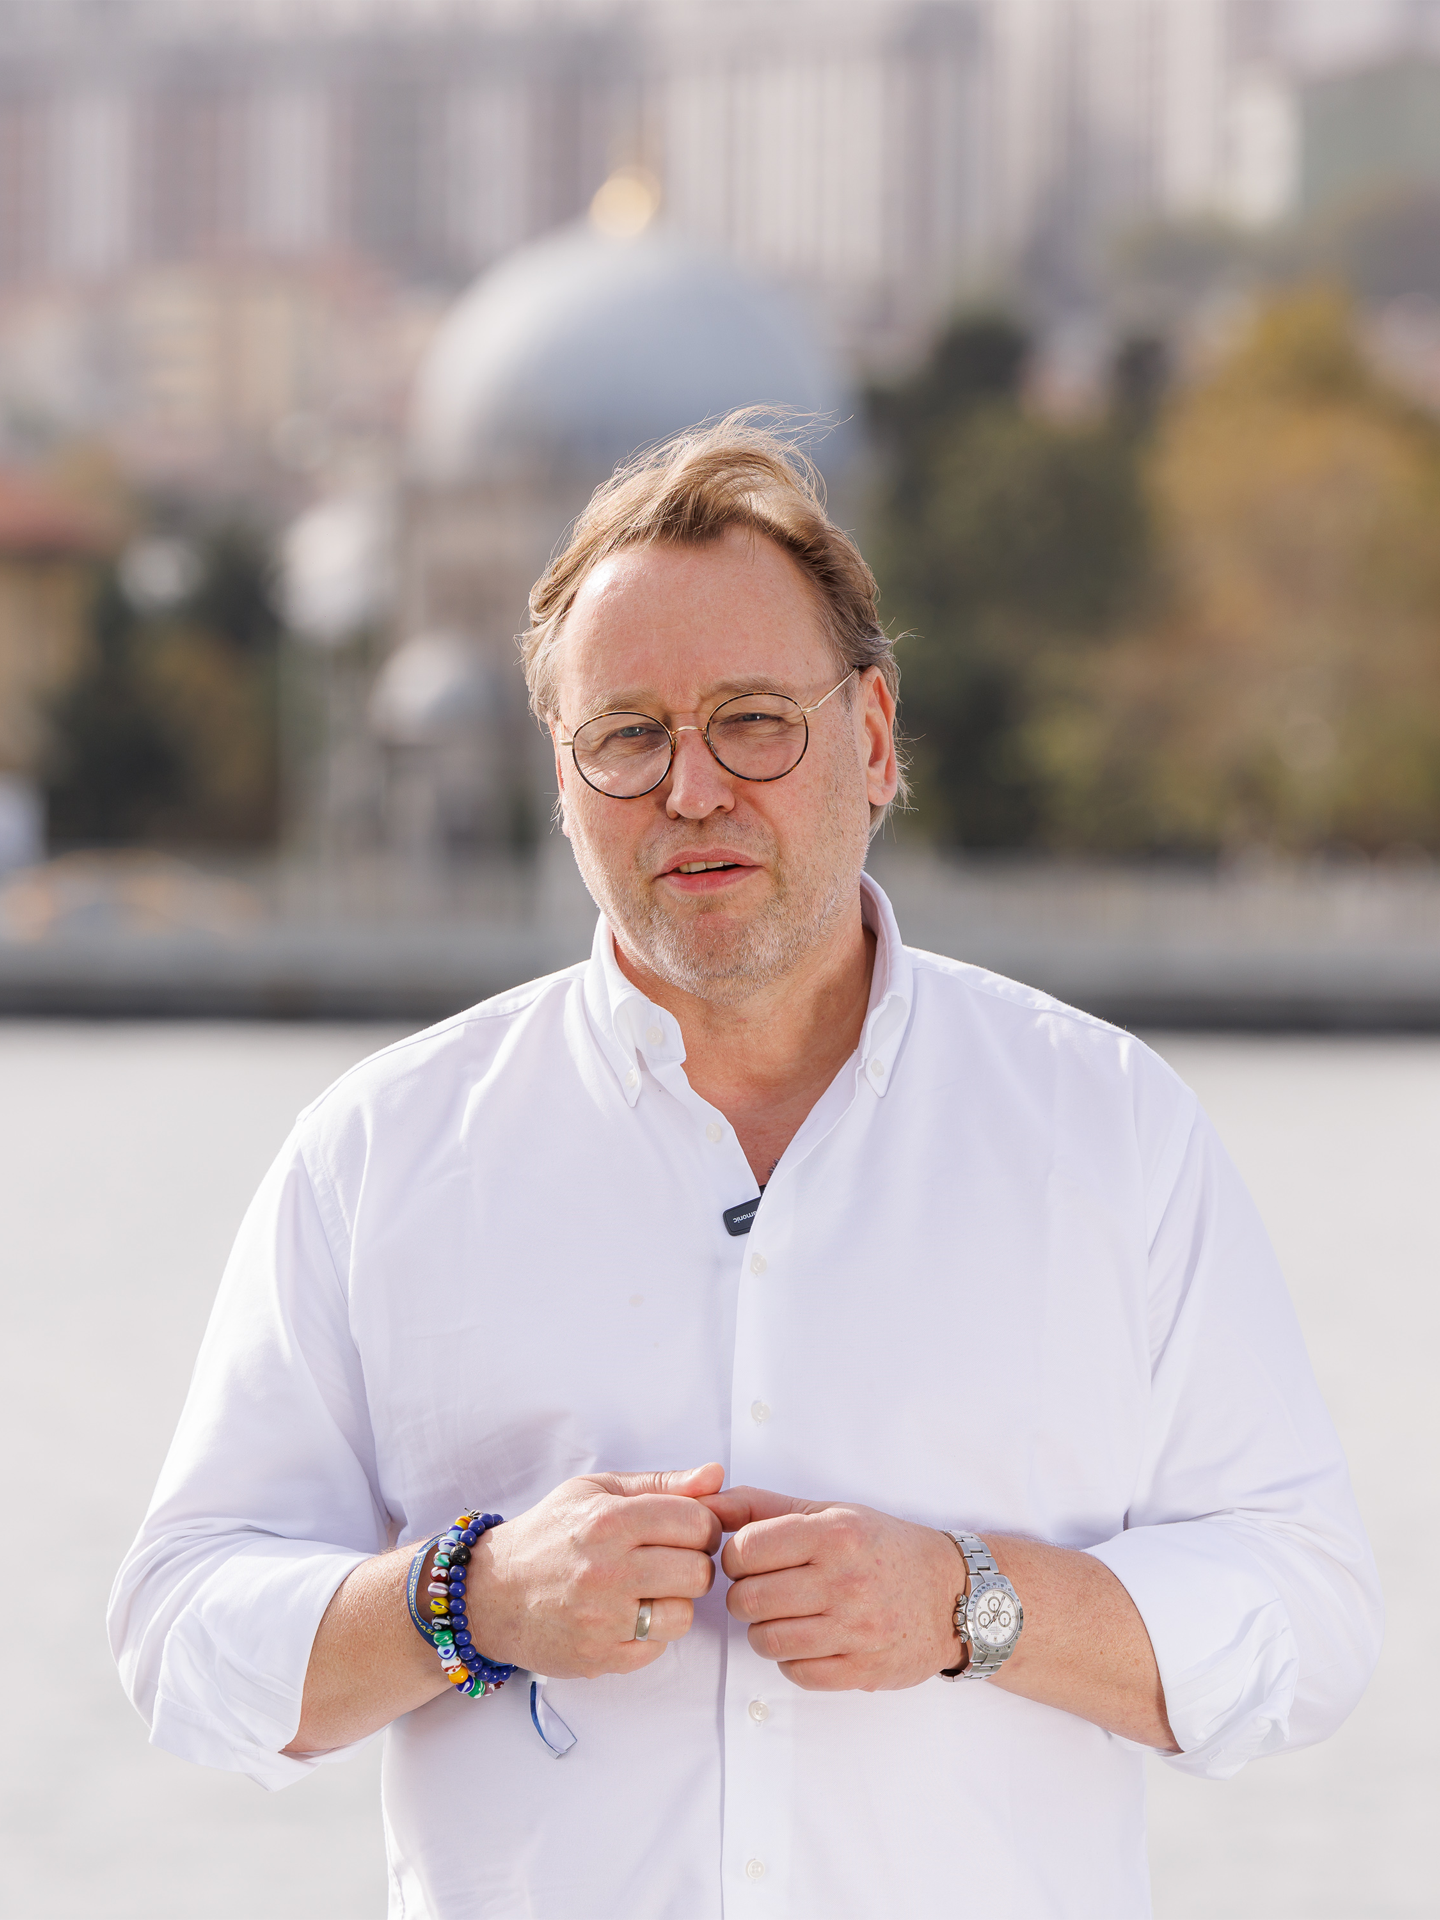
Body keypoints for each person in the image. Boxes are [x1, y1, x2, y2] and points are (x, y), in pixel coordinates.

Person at [110, 417, 1382, 1919]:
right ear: (566, 783)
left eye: (754, 721)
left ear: (875, 736)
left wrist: (973, 1605)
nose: (693, 789)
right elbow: (181, 1640)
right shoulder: (380, 1155)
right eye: (629, 735)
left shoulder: (1107, 1128)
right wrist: (472, 1600)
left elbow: (1310, 1622)